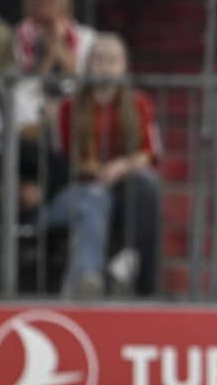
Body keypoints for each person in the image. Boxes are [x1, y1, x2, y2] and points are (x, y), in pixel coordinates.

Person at [56, 33, 162, 296]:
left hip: (122, 185)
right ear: (88, 64)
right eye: (98, 59)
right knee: (95, 195)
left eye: (112, 60)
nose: (105, 66)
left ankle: (131, 264)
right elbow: (64, 158)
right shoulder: (70, 106)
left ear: (124, 66)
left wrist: (118, 167)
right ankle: (94, 279)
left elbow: (149, 154)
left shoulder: (139, 104)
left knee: (146, 185)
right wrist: (93, 171)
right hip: (80, 186)